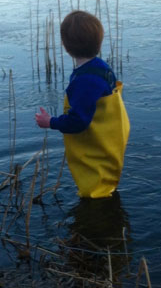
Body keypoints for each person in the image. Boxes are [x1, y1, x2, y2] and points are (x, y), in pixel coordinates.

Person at [35, 10, 130, 198]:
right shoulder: (100, 66)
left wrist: (51, 122)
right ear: (99, 41)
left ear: (65, 46)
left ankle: (98, 212)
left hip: (96, 147)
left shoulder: (84, 81)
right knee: (106, 180)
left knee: (95, 191)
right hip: (109, 140)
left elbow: (79, 121)